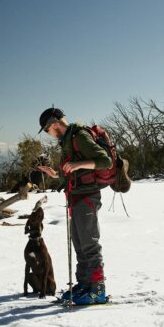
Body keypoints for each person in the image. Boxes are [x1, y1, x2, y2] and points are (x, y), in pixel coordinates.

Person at [36, 107, 111, 305]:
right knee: (79, 243)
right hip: (76, 196)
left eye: (46, 130)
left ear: (53, 124)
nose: (48, 134)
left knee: (89, 243)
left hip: (87, 196)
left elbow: (105, 161)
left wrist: (79, 165)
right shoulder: (67, 140)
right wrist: (55, 174)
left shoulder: (79, 136)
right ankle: (85, 284)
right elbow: (72, 171)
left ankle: (97, 290)